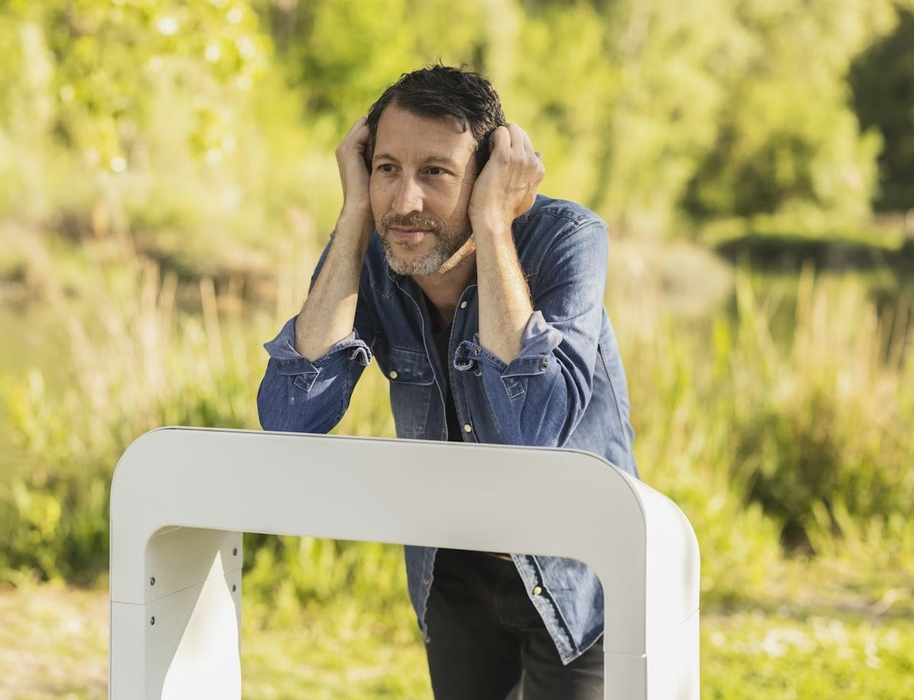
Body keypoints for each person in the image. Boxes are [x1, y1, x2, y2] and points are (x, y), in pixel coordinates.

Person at [256, 65, 638, 700]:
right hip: (452, 571)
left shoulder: (567, 239)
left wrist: (493, 227)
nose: (405, 201)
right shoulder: (372, 248)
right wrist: (354, 216)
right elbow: (291, 416)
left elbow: (532, 431)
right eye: (387, 169)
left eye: (435, 172)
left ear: (488, 176)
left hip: (577, 571)